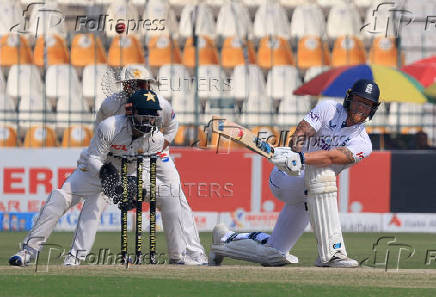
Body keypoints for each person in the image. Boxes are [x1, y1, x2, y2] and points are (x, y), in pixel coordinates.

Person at [8, 90, 201, 266]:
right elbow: (93, 158)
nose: (148, 121)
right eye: (143, 115)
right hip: (94, 171)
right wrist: (105, 174)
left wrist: (134, 188)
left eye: (152, 117)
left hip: (127, 173)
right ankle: (28, 251)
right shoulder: (110, 126)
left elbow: (144, 167)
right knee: (58, 198)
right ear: (131, 112)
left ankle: (178, 256)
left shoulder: (156, 139)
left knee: (170, 196)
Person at [209, 79, 381, 268]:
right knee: (323, 176)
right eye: (358, 101)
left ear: (373, 109)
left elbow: (334, 157)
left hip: (311, 194)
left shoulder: (364, 143)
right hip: (286, 177)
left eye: (367, 104)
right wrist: (294, 150)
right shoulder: (329, 109)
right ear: (349, 99)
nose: (361, 107)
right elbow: (302, 131)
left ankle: (223, 241)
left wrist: (302, 157)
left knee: (274, 254)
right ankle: (333, 254)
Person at [67, 65, 207, 265]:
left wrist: (157, 147)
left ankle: (193, 252)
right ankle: (76, 255)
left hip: (156, 151)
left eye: (144, 83)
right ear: (125, 86)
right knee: (100, 196)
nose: (141, 87)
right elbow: (100, 133)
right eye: (136, 84)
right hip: (121, 153)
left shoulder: (161, 105)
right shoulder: (111, 105)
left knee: (175, 193)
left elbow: (171, 127)